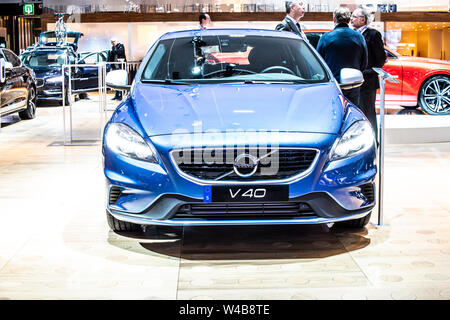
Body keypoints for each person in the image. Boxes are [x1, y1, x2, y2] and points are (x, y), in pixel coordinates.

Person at [316, 7, 368, 106]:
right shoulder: (359, 37)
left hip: (333, 84)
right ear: (349, 20)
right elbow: (364, 63)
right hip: (353, 84)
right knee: (352, 113)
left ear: (334, 20)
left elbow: (318, 63)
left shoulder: (326, 38)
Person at [351, 7, 387, 144]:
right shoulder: (352, 34)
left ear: (362, 19)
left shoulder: (373, 35)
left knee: (369, 112)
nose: (351, 19)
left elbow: (380, 58)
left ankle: (373, 142)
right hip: (354, 80)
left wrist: (367, 71)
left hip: (368, 81)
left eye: (354, 16)